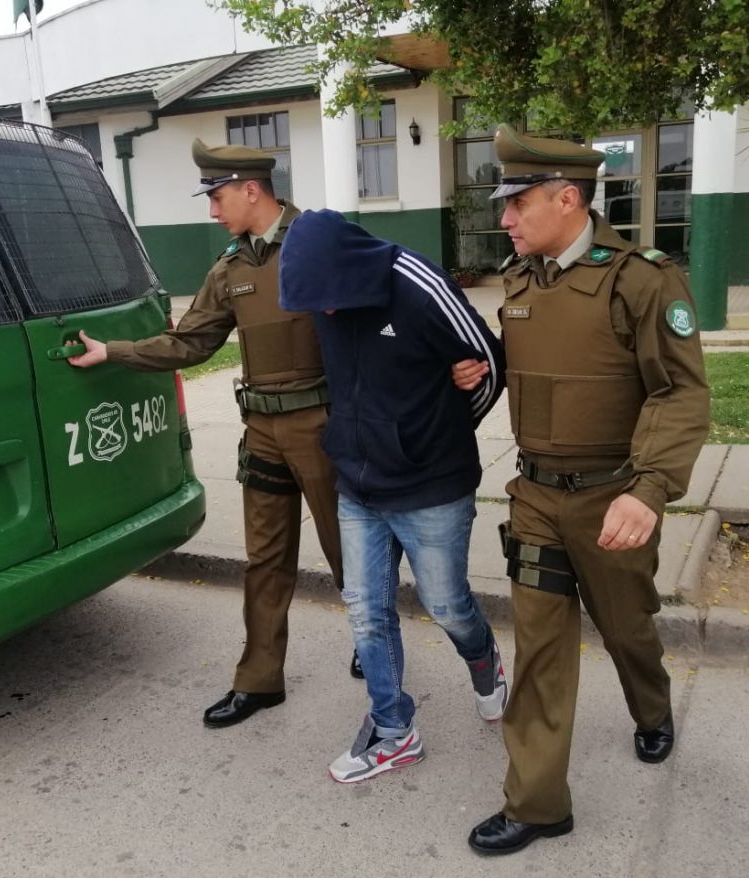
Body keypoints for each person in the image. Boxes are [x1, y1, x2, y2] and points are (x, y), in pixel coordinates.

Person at [461, 125, 710, 854]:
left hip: (614, 497)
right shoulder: (518, 278)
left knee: (626, 624)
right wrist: (483, 372)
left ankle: (652, 707)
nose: (503, 218)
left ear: (567, 198)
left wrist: (651, 487)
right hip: (535, 496)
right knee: (538, 644)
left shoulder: (642, 278)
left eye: (517, 203)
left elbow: (681, 393)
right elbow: (543, 368)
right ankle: (539, 804)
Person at [68, 139, 353, 729]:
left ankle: (375, 647)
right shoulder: (230, 267)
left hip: (325, 427)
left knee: (349, 551)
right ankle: (259, 680)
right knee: (265, 559)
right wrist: (112, 351)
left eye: (217, 196)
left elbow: (384, 318)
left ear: (252, 189)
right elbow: (191, 342)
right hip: (263, 430)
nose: (211, 210)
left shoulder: (321, 242)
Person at [279, 209, 507, 783]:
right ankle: (393, 730)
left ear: (350, 270)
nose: (324, 312)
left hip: (431, 487)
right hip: (356, 484)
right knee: (366, 609)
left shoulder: (418, 285)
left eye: (328, 299)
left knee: (447, 605)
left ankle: (485, 661)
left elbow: (487, 366)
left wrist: (440, 437)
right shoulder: (323, 296)